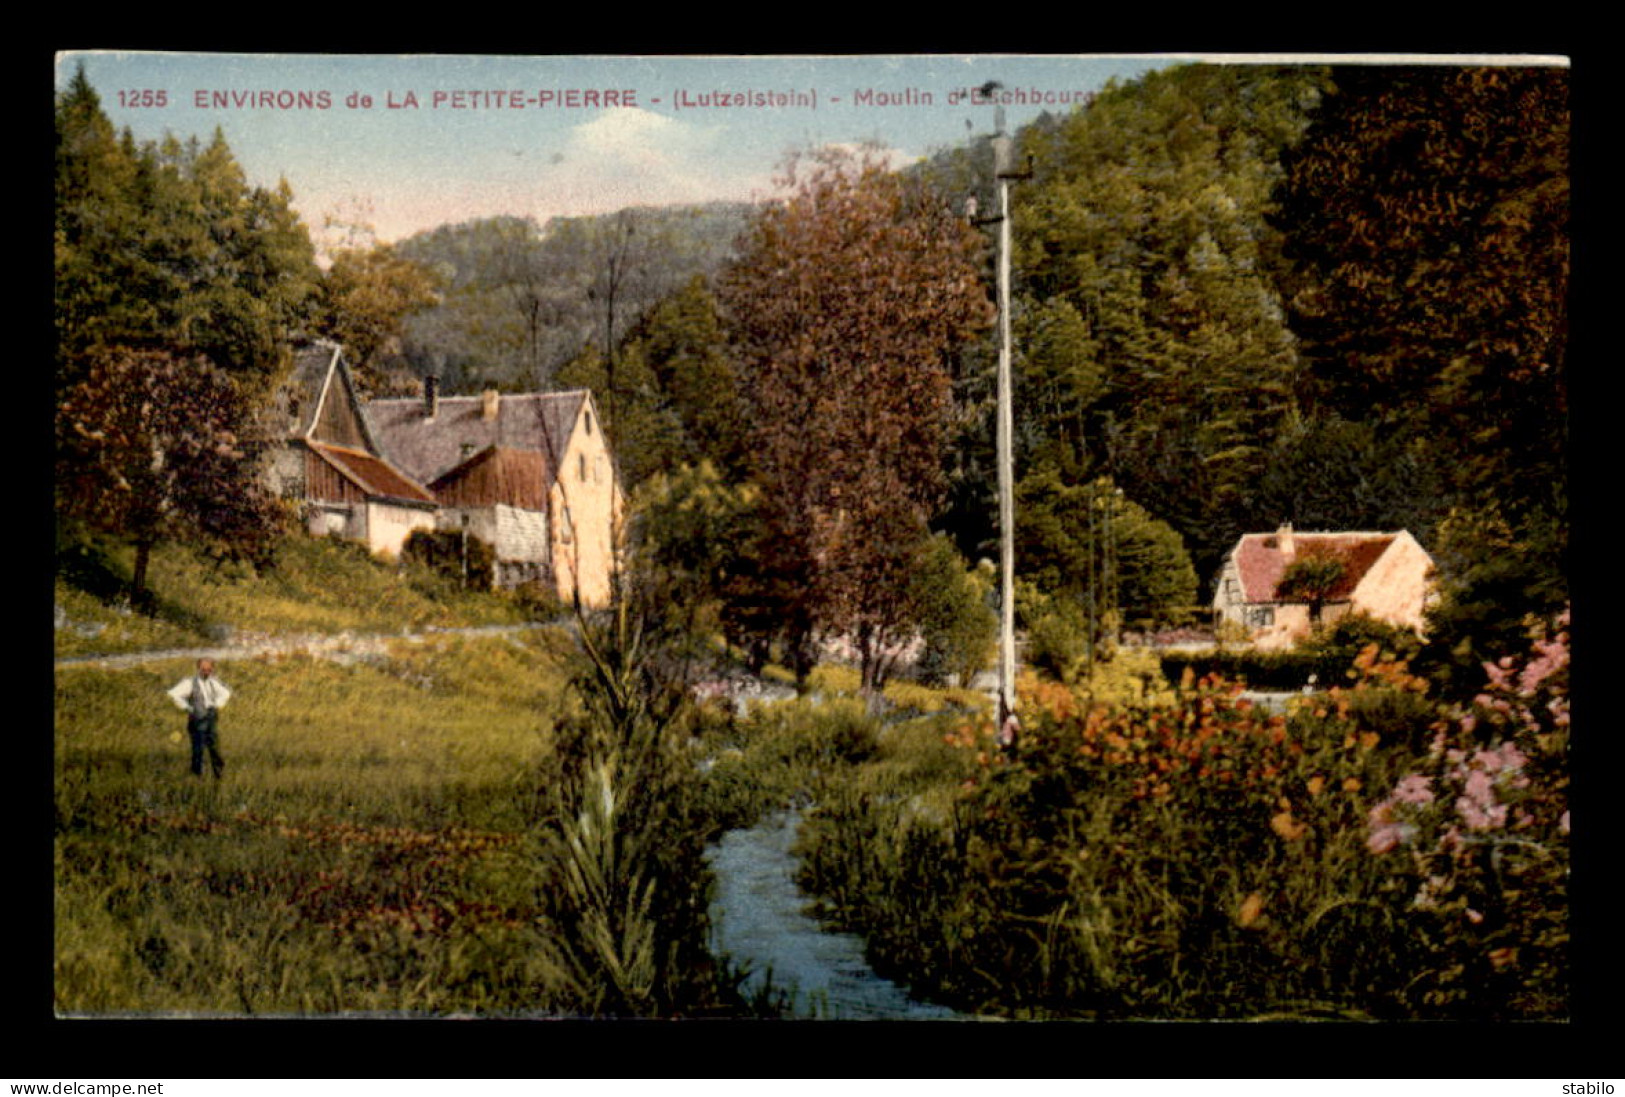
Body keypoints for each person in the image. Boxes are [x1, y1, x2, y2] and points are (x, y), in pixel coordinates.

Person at [168, 658, 232, 778]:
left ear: (212, 670)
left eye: (209, 670)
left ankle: (219, 774)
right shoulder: (190, 683)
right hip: (197, 720)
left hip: (211, 719)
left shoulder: (214, 682)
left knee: (214, 748)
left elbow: (226, 693)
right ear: (198, 669)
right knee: (198, 749)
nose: (206, 672)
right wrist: (187, 707)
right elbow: (174, 694)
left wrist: (217, 704)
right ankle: (197, 775)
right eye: (203, 669)